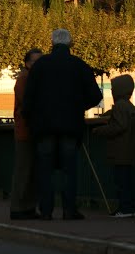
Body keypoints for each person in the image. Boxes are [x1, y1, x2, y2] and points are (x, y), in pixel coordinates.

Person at [23, 28, 103, 221]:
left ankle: (46, 210)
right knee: (69, 170)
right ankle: (69, 209)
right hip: (70, 125)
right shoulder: (79, 65)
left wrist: (33, 119)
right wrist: (78, 107)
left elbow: (28, 99)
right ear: (70, 44)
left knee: (45, 170)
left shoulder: (40, 66)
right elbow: (95, 96)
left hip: (44, 127)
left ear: (51, 43)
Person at [93, 74, 135, 218]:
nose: (111, 91)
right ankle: (130, 207)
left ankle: (125, 209)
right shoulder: (129, 106)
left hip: (120, 151)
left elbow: (118, 126)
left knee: (121, 182)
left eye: (113, 88)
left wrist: (99, 130)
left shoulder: (119, 106)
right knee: (127, 181)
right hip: (128, 150)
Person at [10, 48, 43, 220]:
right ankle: (19, 207)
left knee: (31, 170)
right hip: (26, 130)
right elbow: (28, 103)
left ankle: (28, 206)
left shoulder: (30, 78)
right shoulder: (24, 79)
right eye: (35, 62)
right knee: (24, 169)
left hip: (31, 130)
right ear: (27, 63)